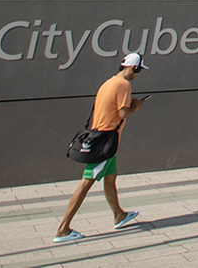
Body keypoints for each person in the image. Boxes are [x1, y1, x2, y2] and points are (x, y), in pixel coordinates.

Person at [54, 53, 150, 243]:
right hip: (105, 144)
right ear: (134, 68)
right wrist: (136, 106)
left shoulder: (108, 83)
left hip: (102, 139)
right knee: (86, 182)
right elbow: (123, 113)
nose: (138, 75)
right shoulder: (124, 85)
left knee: (110, 178)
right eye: (138, 71)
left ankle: (119, 215)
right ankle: (63, 229)